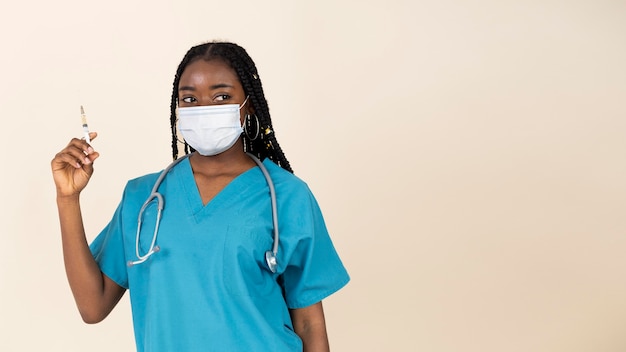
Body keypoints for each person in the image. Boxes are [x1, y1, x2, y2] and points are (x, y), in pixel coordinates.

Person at [51, 41, 350, 352]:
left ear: (247, 104)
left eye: (221, 96)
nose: (204, 108)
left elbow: (309, 323)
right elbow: (92, 307)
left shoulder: (286, 196)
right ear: (177, 107)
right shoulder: (143, 200)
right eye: (190, 98)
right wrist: (67, 198)